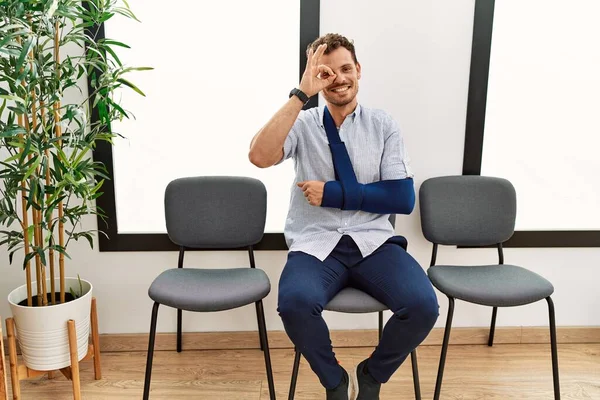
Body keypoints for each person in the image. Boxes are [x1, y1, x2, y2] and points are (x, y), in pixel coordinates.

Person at [248, 33, 439, 400]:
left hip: (374, 241)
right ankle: (334, 380)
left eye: (346, 69)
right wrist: (301, 93)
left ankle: (372, 373)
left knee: (422, 305)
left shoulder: (384, 125)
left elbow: (402, 198)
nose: (338, 79)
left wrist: (333, 193)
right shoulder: (302, 124)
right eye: (326, 73)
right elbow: (259, 155)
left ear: (359, 70)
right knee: (293, 304)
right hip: (316, 242)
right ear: (315, 77)